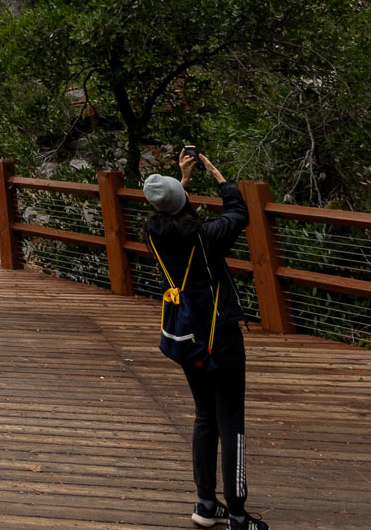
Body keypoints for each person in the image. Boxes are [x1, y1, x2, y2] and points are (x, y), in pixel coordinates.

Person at [143, 150, 265, 530]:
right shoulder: (207, 237)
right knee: (232, 423)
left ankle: (205, 503)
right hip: (220, 335)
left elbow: (173, 213)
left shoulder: (152, 232)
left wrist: (182, 182)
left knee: (204, 416)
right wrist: (217, 175)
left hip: (187, 338)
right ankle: (239, 515)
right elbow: (239, 214)